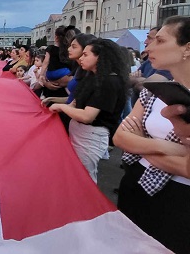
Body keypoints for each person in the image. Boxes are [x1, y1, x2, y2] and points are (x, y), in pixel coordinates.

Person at [113, 16, 190, 253]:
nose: (148, 47)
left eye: (160, 40)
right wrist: (175, 150)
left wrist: (141, 146)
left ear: (187, 48)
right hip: (136, 186)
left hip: (180, 201)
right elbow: (120, 138)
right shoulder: (155, 91)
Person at [49, 38, 129, 183]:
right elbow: (75, 103)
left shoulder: (109, 82)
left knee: (84, 178)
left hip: (90, 136)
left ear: (100, 57)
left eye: (85, 55)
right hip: (81, 133)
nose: (81, 58)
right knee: (76, 175)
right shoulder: (92, 77)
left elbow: (87, 116)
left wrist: (61, 107)